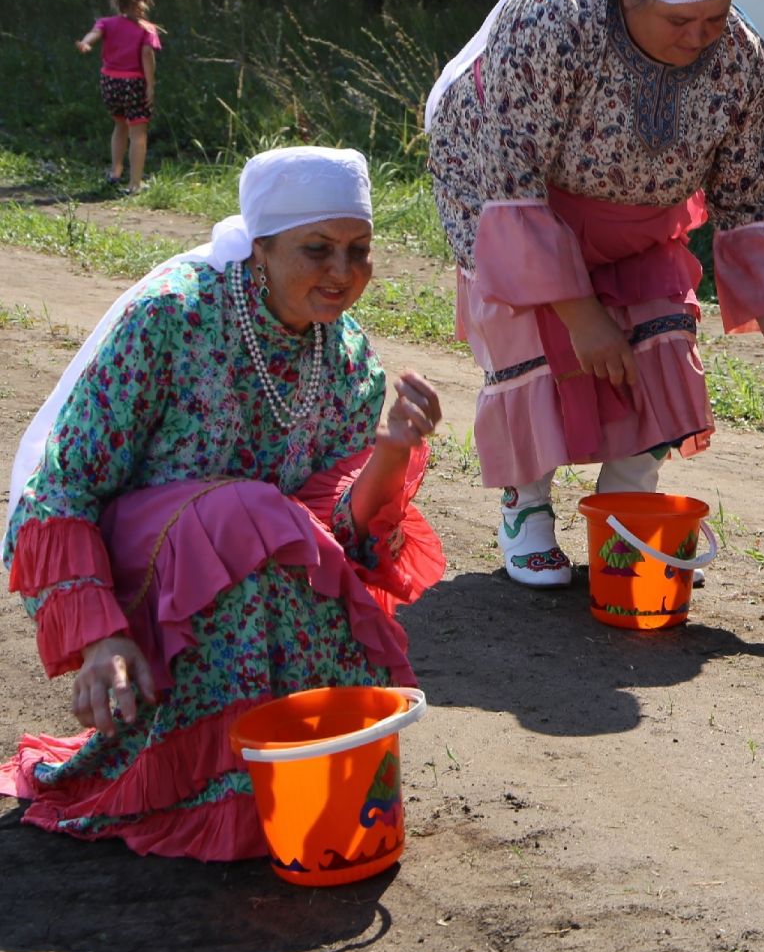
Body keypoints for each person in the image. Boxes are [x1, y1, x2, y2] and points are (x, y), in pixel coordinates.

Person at [1, 147, 446, 860]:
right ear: (261, 247)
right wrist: (100, 635)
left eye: (358, 251)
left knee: (286, 551)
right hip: (129, 563)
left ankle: (290, 778)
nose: (342, 272)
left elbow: (335, 531)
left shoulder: (348, 358)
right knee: (244, 516)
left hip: (240, 549)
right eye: (317, 249)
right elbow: (66, 487)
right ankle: (204, 790)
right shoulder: (170, 318)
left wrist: (391, 449)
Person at [426, 0, 764, 588]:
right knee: (538, 346)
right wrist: (581, 316)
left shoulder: (736, 57)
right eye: (680, 21)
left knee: (660, 344)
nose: (699, 37)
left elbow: (748, 192)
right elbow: (513, 182)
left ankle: (625, 517)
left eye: (714, 16)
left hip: (641, 216)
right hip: (512, 197)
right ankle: (524, 507)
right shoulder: (554, 20)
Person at [74, 0, 162, 194]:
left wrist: (85, 43)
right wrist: (150, 86)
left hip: (110, 82)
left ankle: (115, 172)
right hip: (134, 84)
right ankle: (134, 184)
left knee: (120, 124)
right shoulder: (147, 29)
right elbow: (146, 56)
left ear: (116, 1)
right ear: (142, 0)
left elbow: (94, 34)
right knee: (138, 132)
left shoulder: (106, 23)